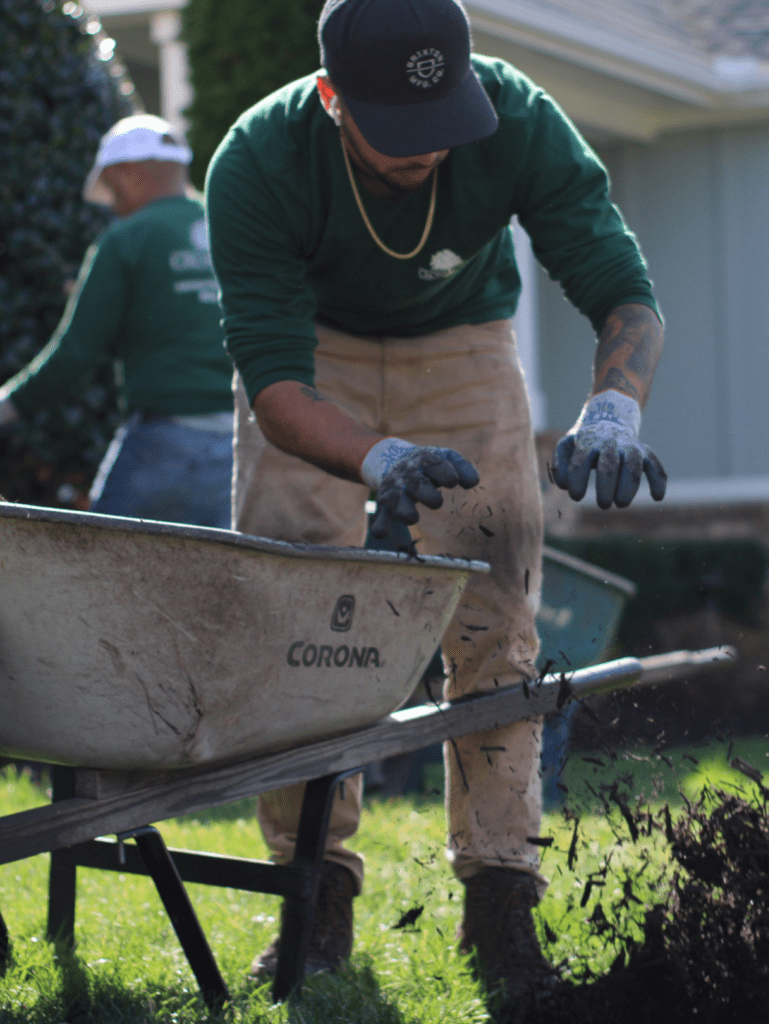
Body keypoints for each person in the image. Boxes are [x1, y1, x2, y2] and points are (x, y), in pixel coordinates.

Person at [205, 0, 666, 999]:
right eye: (399, 132)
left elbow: (623, 288)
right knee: (298, 621)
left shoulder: (514, 117)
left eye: (442, 122)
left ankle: (501, 902)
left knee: (498, 624)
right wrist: (372, 457)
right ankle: (312, 892)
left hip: (463, 342)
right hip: (314, 359)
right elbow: (278, 391)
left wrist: (613, 408)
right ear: (332, 98)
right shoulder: (258, 161)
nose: (428, 152)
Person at [0, 115, 235, 527]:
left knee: (104, 573)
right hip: (241, 450)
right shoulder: (234, 229)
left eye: (110, 187)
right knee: (216, 586)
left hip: (162, 445)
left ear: (128, 173)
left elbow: (75, 352)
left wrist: (6, 407)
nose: (112, 203)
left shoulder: (127, 238)